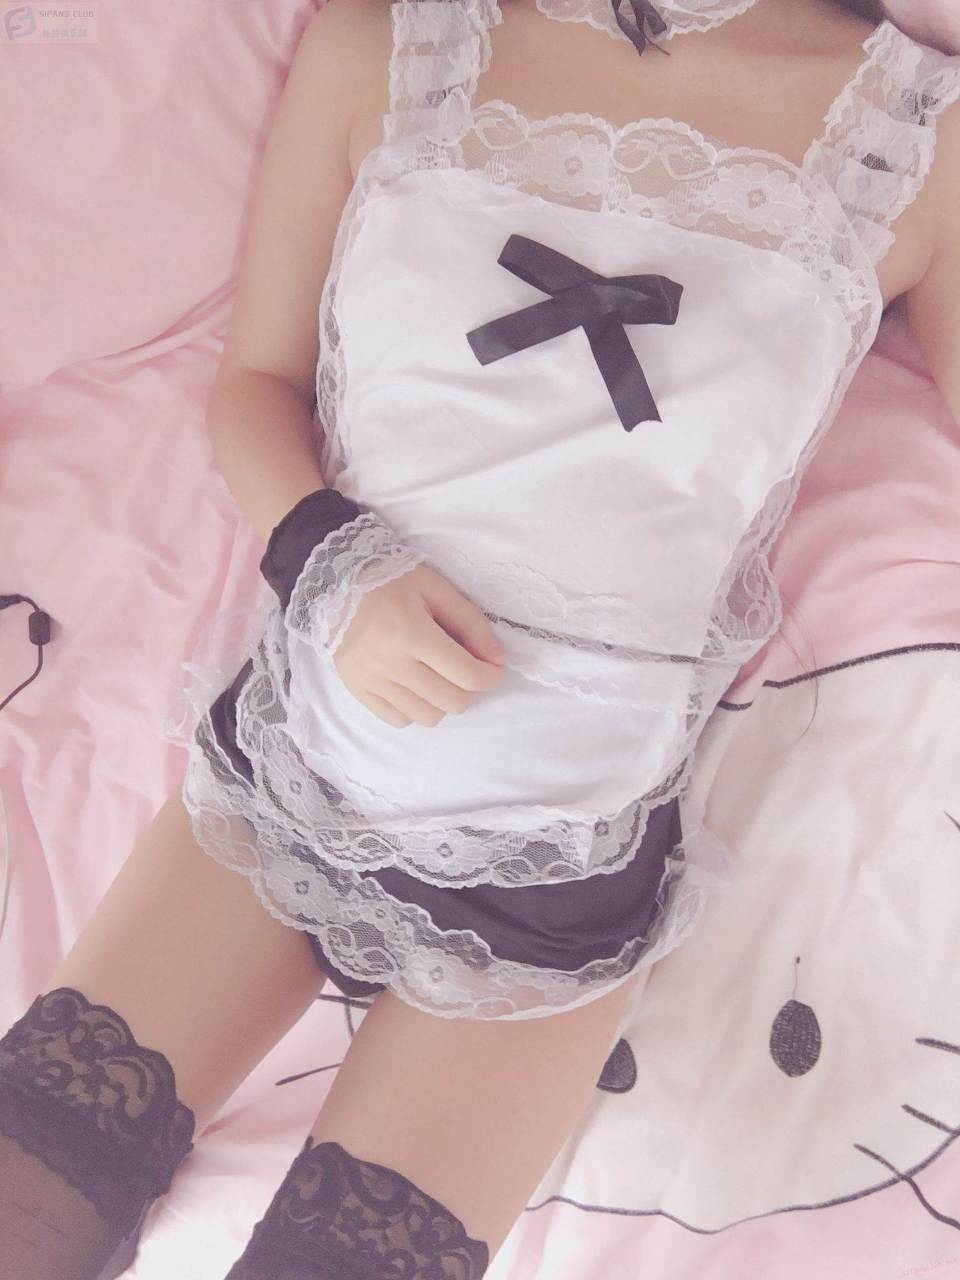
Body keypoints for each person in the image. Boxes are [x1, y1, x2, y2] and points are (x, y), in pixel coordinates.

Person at [2, 0, 959, 1276]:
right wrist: (333, 563)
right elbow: (253, 386)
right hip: (302, 760)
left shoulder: (918, 135)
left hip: (568, 860)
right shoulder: (390, 43)